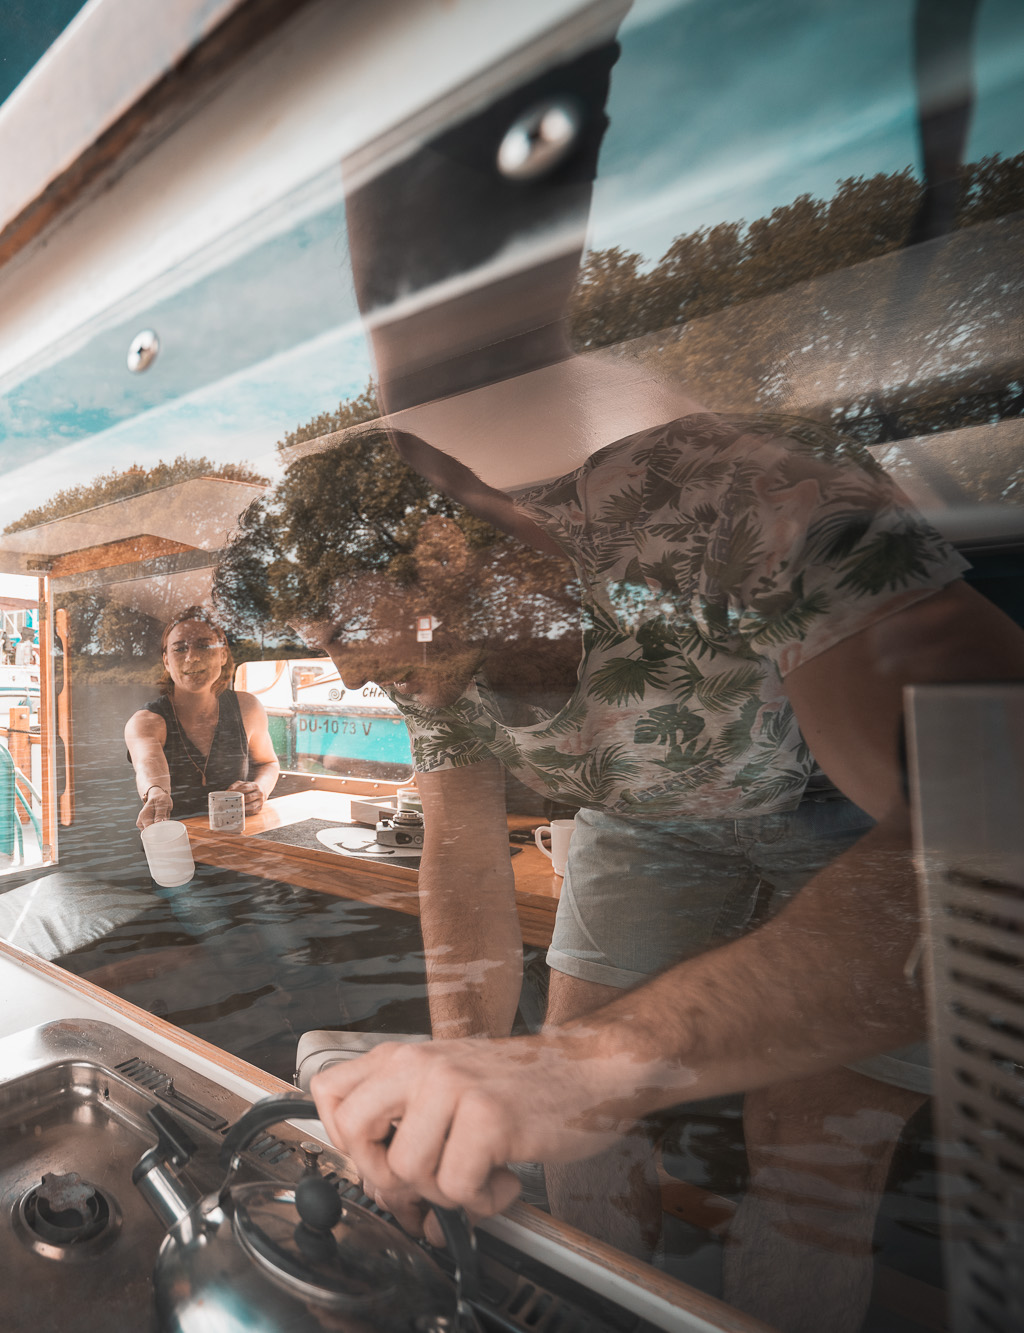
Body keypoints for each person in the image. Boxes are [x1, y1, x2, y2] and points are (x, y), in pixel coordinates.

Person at [275, 26, 1024, 1333]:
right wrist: (475, 1080)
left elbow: (995, 828)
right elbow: (459, 868)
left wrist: (589, 1062)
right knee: (572, 1145)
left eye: (384, 640)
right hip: (641, 813)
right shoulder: (404, 597)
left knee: (810, 1158)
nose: (375, 671)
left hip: (833, 812)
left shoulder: (742, 499)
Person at [125, 608, 279, 830]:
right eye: (180, 649)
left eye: (204, 646)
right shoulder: (146, 722)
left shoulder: (248, 708)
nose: (192, 657)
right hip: (175, 850)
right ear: (166, 661)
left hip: (238, 845)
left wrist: (260, 789)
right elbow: (148, 765)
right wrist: (156, 793)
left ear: (223, 655)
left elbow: (269, 763)